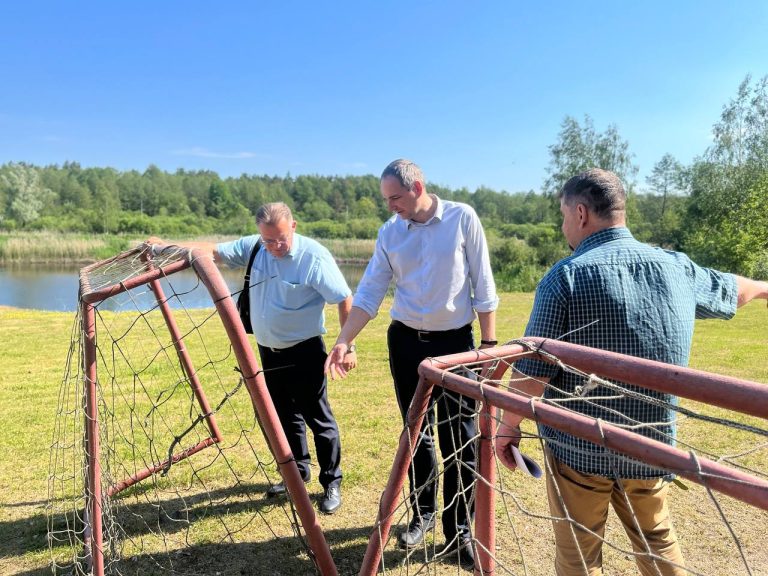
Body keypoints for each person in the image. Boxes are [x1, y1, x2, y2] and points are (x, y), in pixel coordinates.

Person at [495, 168, 768, 576]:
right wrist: (764, 286)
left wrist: (507, 426)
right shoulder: (678, 268)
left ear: (582, 213)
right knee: (657, 543)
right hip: (651, 447)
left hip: (580, 450)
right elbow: (733, 289)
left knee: (578, 552)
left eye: (564, 215)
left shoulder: (565, 277)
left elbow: (533, 369)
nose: (564, 225)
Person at [324, 159, 499, 567]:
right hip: (405, 343)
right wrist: (344, 339)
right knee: (415, 430)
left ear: (417, 187)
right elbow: (368, 292)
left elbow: (484, 284)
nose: (390, 207)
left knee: (460, 436)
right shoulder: (390, 232)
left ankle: (458, 531)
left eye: (395, 198)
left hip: (456, 345)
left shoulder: (462, 218)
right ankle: (423, 513)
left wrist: (488, 346)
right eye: (386, 200)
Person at [149, 202, 356, 515]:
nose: (274, 247)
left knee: (318, 417)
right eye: (267, 240)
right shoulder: (256, 247)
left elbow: (344, 298)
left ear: (294, 226)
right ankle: (297, 475)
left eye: (281, 239)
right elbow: (211, 252)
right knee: (283, 416)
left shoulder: (313, 257)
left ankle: (332, 482)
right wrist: (164, 249)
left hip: (305, 350)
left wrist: (347, 344)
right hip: (267, 351)